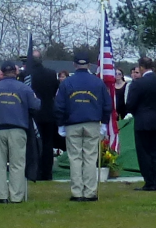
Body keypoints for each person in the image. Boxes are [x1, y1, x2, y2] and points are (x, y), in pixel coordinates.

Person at [0, 60, 40, 204]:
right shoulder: (24, 88)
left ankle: (1, 196)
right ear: (16, 71)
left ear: (2, 72)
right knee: (17, 164)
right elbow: (36, 107)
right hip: (18, 129)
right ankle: (16, 196)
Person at [55, 51, 111, 202]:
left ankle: (77, 192)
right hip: (92, 123)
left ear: (74, 64)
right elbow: (107, 105)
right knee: (90, 158)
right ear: (88, 65)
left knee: (75, 158)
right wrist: (104, 123)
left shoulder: (67, 82)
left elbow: (59, 106)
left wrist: (60, 124)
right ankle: (90, 192)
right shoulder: (97, 82)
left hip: (72, 124)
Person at [127, 57, 156, 192]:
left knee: (144, 152)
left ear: (142, 67)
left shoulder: (138, 83)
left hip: (142, 121)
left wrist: (135, 112)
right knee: (155, 152)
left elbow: (131, 104)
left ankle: (149, 182)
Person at [27, 49, 59, 181]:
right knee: (47, 144)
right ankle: (47, 172)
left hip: (33, 114)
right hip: (48, 112)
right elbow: (54, 92)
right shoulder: (51, 74)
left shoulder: (28, 75)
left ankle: (35, 171)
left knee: (34, 144)